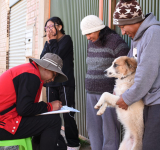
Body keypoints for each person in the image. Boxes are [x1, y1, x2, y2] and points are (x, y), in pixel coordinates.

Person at [112, 0, 160, 149]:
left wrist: (127, 97)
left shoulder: (153, 33)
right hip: (147, 101)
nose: (123, 32)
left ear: (133, 21)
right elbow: (131, 69)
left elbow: (145, 74)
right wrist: (120, 90)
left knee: (150, 146)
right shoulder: (136, 38)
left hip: (157, 102)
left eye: (123, 26)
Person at [80, 15, 130, 150]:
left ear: (99, 29)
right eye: (85, 34)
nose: (88, 37)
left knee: (110, 130)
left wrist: (119, 90)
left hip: (108, 93)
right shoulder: (91, 42)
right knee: (93, 128)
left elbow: (126, 69)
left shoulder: (115, 42)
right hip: (91, 92)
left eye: (89, 33)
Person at [0, 53, 68, 150]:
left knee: (47, 120)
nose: (52, 80)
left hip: (6, 120)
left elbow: (25, 108)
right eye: (54, 75)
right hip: (4, 124)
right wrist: (49, 106)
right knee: (54, 121)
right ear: (45, 67)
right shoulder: (32, 75)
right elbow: (24, 109)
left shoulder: (29, 71)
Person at [40, 17, 80, 150]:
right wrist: (49, 42)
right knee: (52, 114)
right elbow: (43, 60)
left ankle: (73, 144)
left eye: (51, 26)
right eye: (46, 28)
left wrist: (51, 41)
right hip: (51, 83)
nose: (48, 30)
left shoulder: (66, 39)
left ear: (59, 27)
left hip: (65, 83)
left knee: (67, 113)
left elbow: (56, 57)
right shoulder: (48, 42)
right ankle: (56, 142)